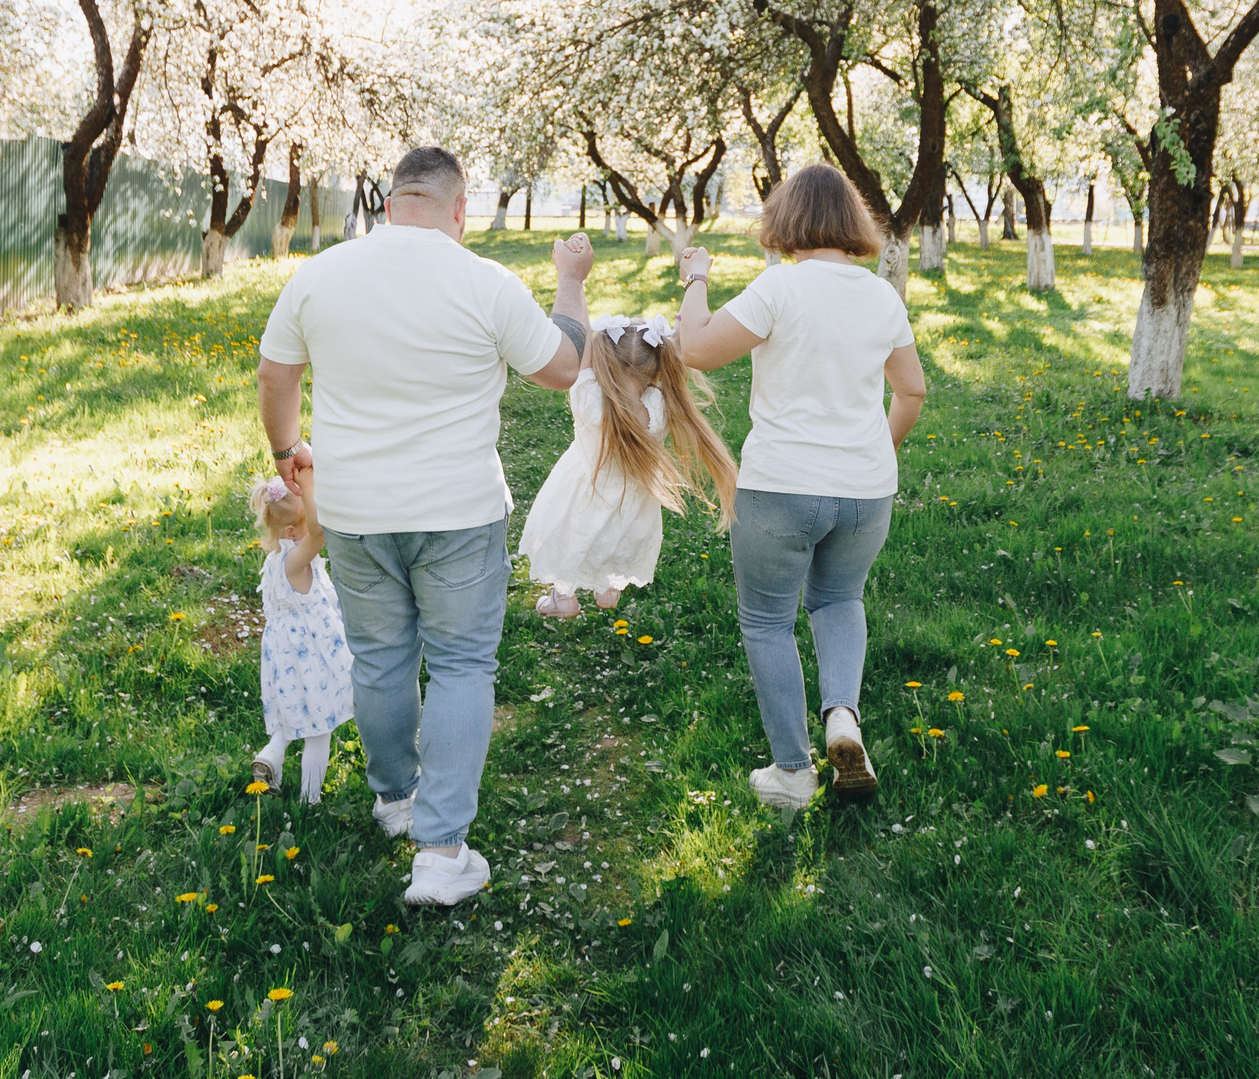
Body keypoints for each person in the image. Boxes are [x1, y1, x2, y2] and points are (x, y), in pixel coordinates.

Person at [256, 147, 594, 907]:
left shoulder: (321, 275)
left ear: (387, 203)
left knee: (379, 659)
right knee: (463, 666)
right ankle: (441, 852)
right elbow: (564, 365)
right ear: (459, 208)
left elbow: (276, 374)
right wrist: (570, 282)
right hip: (459, 511)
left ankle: (395, 801)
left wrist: (287, 450)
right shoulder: (486, 281)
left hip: (356, 510)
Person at [671, 164, 928, 810]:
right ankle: (842, 715)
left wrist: (696, 279)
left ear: (785, 222)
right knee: (840, 599)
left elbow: (694, 348)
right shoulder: (882, 296)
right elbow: (913, 390)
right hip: (866, 492)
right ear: (853, 224)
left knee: (766, 620)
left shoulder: (779, 288)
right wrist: (874, 453)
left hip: (780, 485)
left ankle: (792, 772)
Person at [518, 314, 737, 619]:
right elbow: (667, 356)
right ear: (658, 365)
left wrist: (576, 282)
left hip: (583, 493)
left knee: (572, 538)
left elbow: (582, 353)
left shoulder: (589, 398)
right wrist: (677, 334)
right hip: (633, 503)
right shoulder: (661, 405)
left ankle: (563, 598)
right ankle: (608, 589)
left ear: (604, 360)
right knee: (619, 537)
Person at [245, 468, 352, 803]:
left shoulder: (274, 561)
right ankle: (310, 801)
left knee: (293, 717)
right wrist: (308, 486)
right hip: (310, 660)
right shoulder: (295, 560)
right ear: (292, 532)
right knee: (318, 732)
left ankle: (271, 755)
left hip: (284, 661)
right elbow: (319, 533)